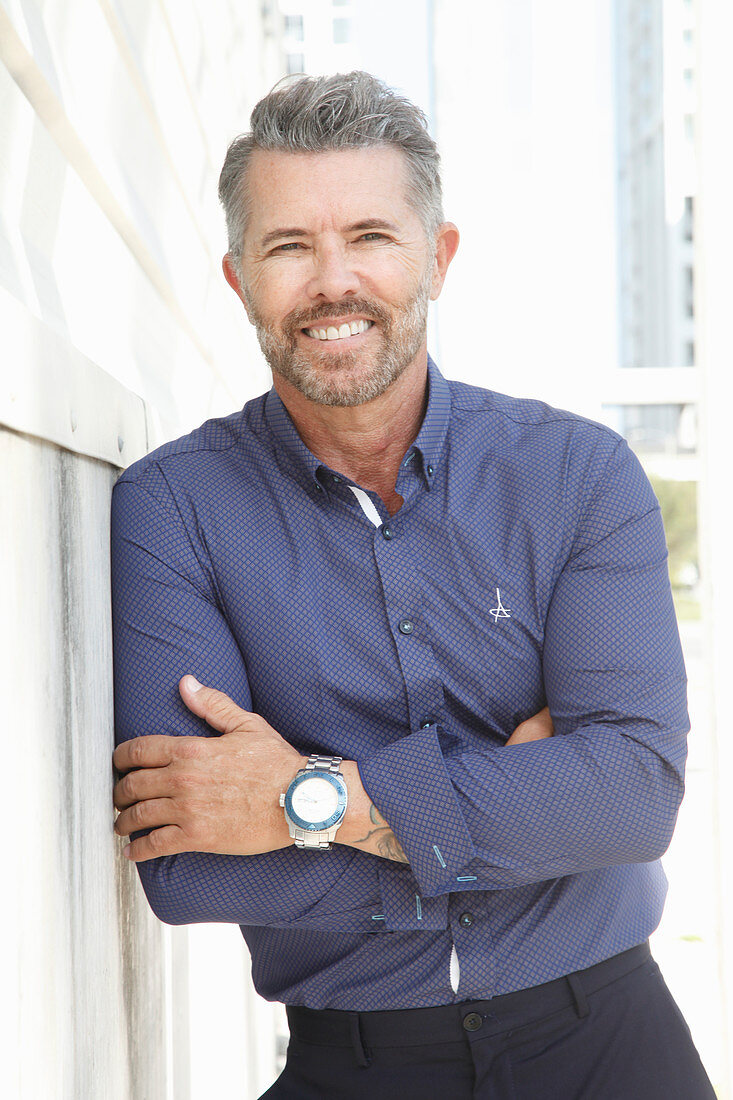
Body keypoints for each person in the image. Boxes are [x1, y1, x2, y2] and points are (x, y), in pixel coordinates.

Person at [111, 72, 714, 1099]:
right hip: (354, 1062)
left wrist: (304, 797)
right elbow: (190, 862)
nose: (332, 281)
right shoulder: (173, 508)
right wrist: (517, 805)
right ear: (238, 278)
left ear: (437, 257)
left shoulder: (577, 476)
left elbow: (626, 795)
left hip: (612, 1043)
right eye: (289, 245)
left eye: (371, 237)